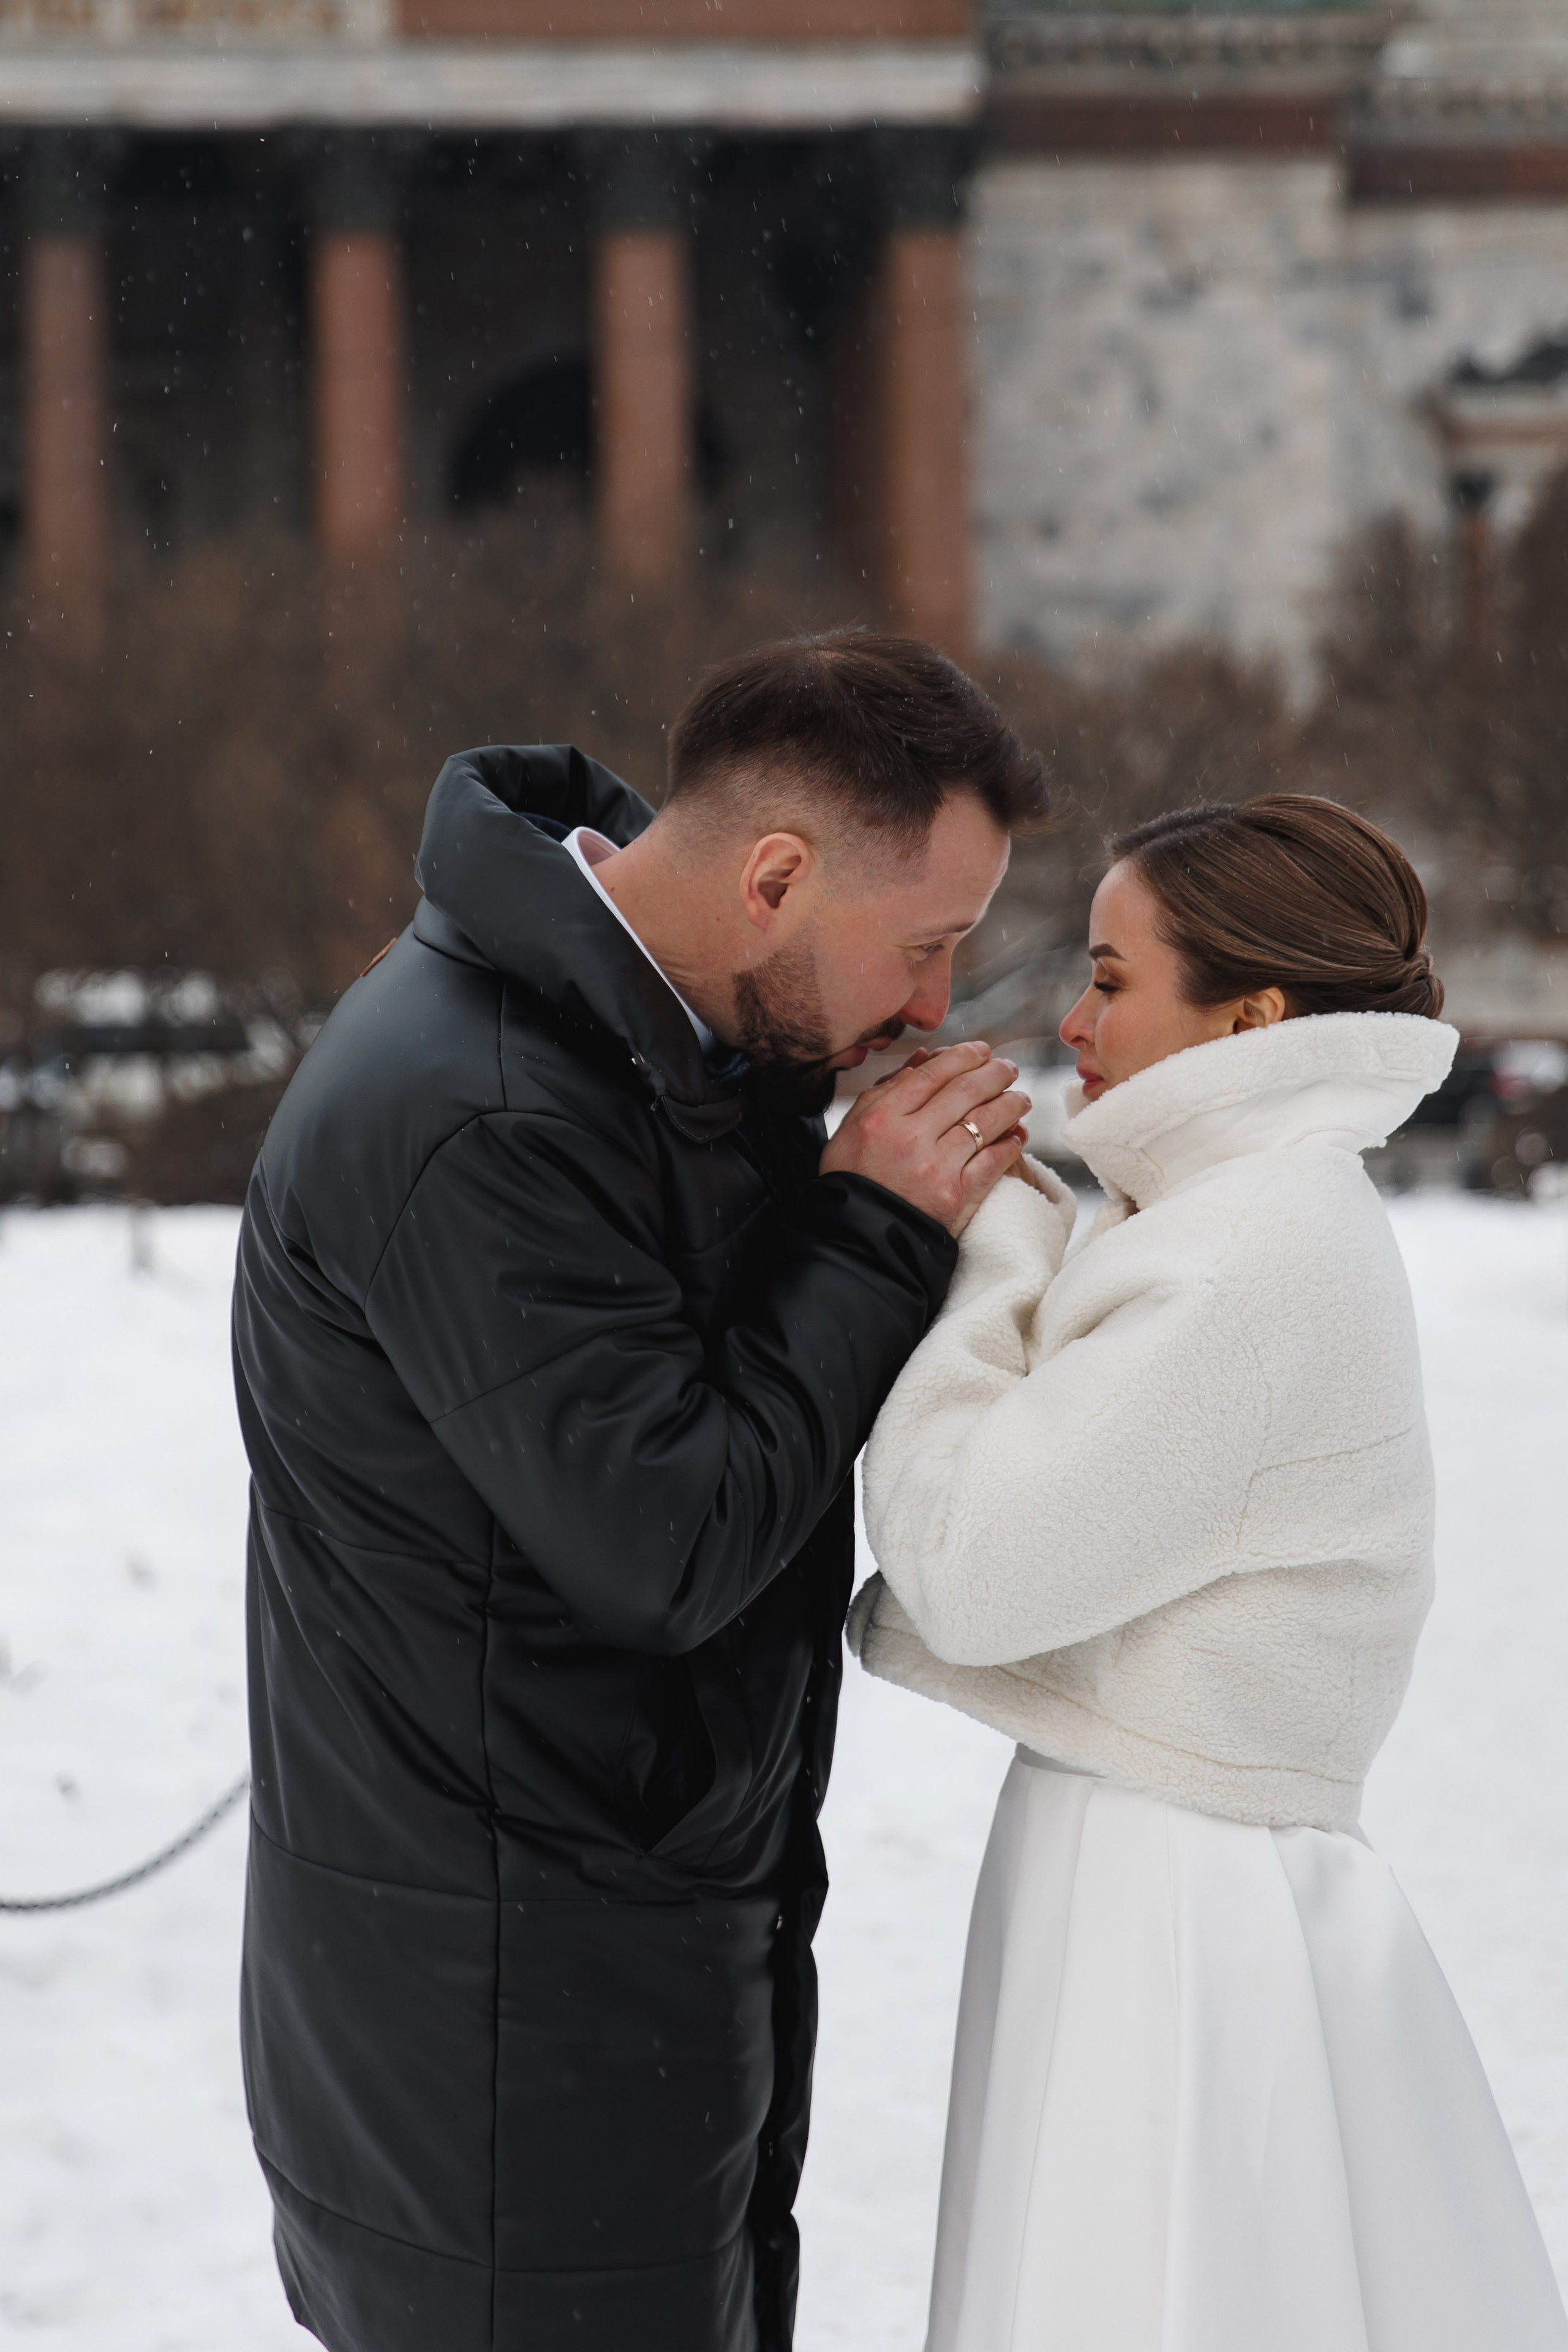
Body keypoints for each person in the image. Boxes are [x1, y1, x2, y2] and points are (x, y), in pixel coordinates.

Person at [231, 630, 1048, 2352]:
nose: (932, 1009)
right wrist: (876, 1224)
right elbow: (669, 1540)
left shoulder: (653, 1052)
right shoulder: (483, 1111)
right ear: (774, 878)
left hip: (604, 1974)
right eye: (924, 947)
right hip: (499, 2052)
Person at [853, 794, 1568, 2351]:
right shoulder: (1238, 1216)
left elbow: (969, 1570)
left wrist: (994, 1254)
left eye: (1110, 978)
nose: (1071, 1019)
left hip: (1175, 1892)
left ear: (1250, 1018)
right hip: (1172, 1857)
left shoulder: (1248, 1249)